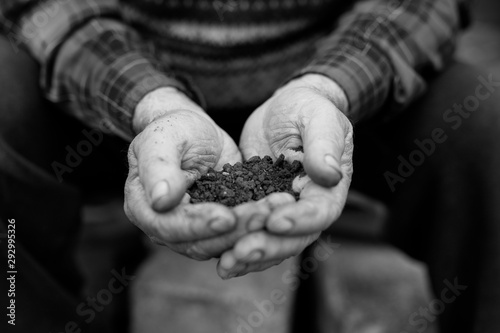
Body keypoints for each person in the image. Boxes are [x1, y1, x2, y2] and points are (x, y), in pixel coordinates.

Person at [1, 0, 499, 332]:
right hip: (117, 92)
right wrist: (150, 101)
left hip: (335, 92)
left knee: (487, 126)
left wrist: (327, 88)